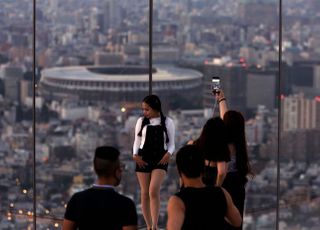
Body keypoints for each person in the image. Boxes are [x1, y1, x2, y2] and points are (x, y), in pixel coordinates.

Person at [167, 145, 242, 230]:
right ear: (203, 167)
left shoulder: (177, 201)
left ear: (178, 170)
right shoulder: (221, 192)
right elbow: (237, 221)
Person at [62, 146, 137, 230]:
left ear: (94, 168)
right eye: (121, 167)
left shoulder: (77, 200)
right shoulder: (126, 205)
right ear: (117, 171)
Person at [132, 94, 175, 230]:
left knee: (153, 190)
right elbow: (137, 141)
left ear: (156, 108)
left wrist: (169, 154)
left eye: (147, 109)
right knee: (144, 193)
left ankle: (155, 226)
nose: (144, 112)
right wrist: (135, 155)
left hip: (160, 158)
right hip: (143, 158)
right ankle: (149, 226)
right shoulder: (141, 121)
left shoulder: (168, 122)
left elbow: (172, 143)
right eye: (143, 109)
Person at [216, 90, 254, 230]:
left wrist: (216, 187)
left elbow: (222, 172)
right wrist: (221, 99)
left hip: (224, 186)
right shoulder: (239, 143)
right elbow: (225, 118)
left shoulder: (223, 145)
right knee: (236, 223)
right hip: (238, 187)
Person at [188, 117, 230, 186]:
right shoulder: (220, 151)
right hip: (209, 189)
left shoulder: (192, 144)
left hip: (192, 186)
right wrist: (218, 187)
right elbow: (221, 172)